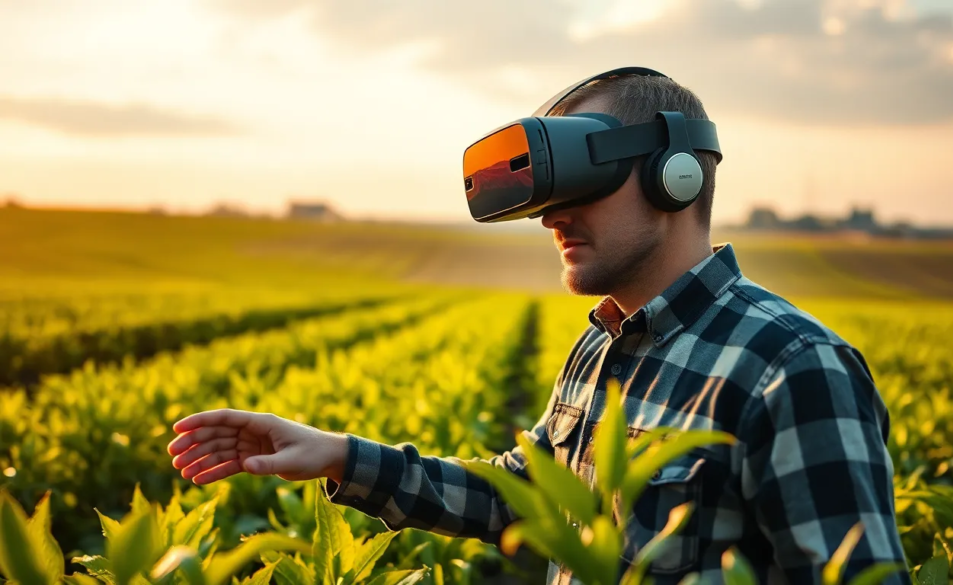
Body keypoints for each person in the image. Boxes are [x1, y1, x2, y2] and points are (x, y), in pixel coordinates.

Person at [167, 71, 911, 585]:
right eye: (543, 195)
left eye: (578, 180)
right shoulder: (602, 344)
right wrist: (336, 455)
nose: (552, 215)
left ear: (674, 175)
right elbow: (524, 500)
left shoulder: (793, 368)